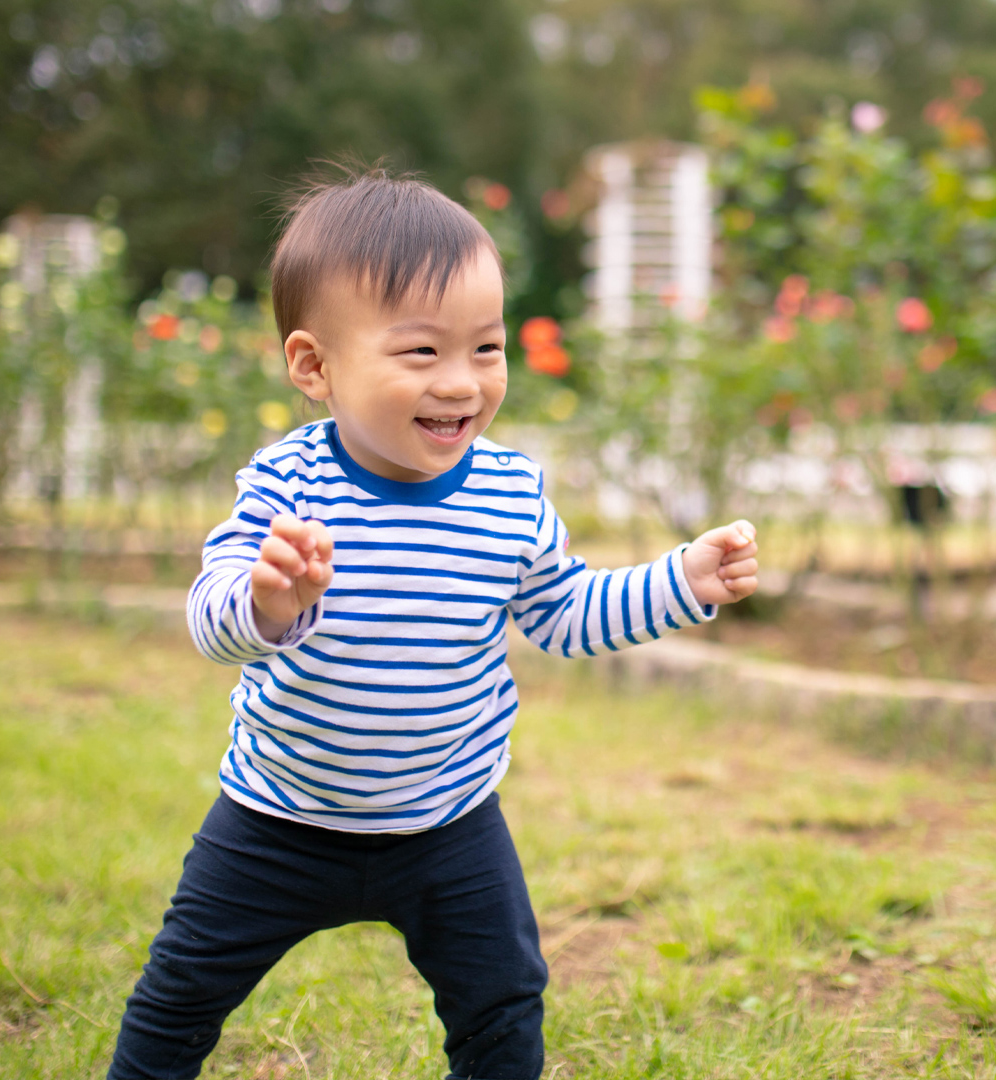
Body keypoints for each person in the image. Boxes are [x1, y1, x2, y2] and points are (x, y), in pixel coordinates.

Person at [108, 169, 759, 1080]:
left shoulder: (509, 490)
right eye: (420, 353)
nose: (461, 383)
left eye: (486, 348)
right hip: (278, 818)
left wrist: (680, 579)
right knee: (178, 994)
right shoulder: (287, 486)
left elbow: (565, 614)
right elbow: (210, 622)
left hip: (450, 821)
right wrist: (265, 603)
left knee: (502, 1002)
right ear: (314, 366)